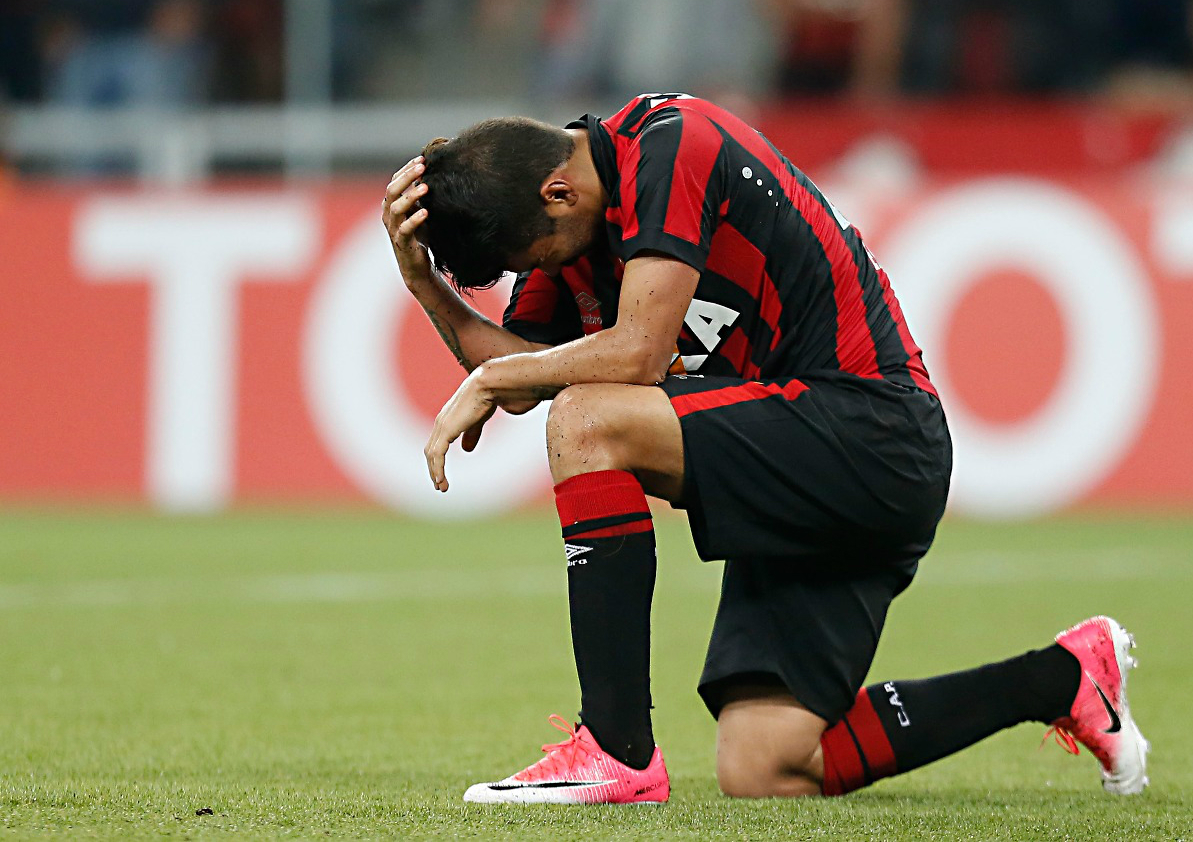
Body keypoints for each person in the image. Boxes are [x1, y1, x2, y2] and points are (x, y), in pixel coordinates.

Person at [380, 93, 1149, 804]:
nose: (544, 272)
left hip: (874, 432)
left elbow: (634, 353)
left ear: (559, 192)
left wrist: (498, 377)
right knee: (765, 763)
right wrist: (423, 282)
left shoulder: (671, 145)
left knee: (587, 419)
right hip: (795, 463)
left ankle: (615, 747)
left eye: (538, 257)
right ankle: (1064, 677)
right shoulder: (572, 220)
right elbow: (520, 377)